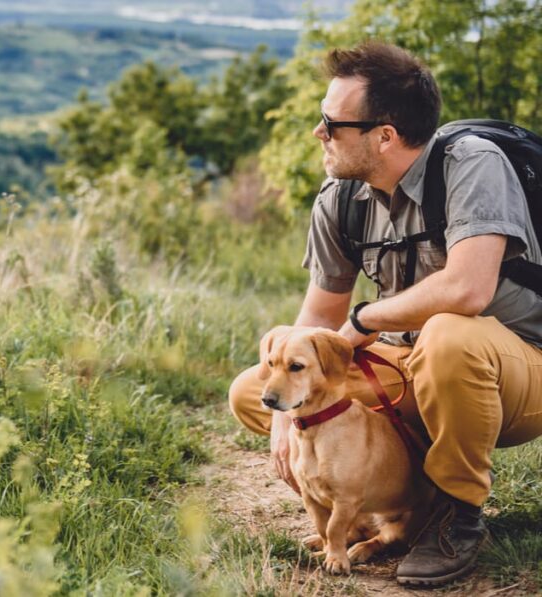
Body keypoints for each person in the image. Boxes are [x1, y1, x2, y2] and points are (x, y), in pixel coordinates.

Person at [227, 41, 542, 587]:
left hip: (516, 370)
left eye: (332, 123)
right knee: (252, 392)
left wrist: (367, 319)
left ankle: (455, 516)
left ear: (385, 136)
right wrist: (284, 415)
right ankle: (392, 499)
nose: (318, 132)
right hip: (415, 367)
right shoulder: (341, 198)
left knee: (448, 336)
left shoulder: (472, 165)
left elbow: (467, 289)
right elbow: (318, 322)